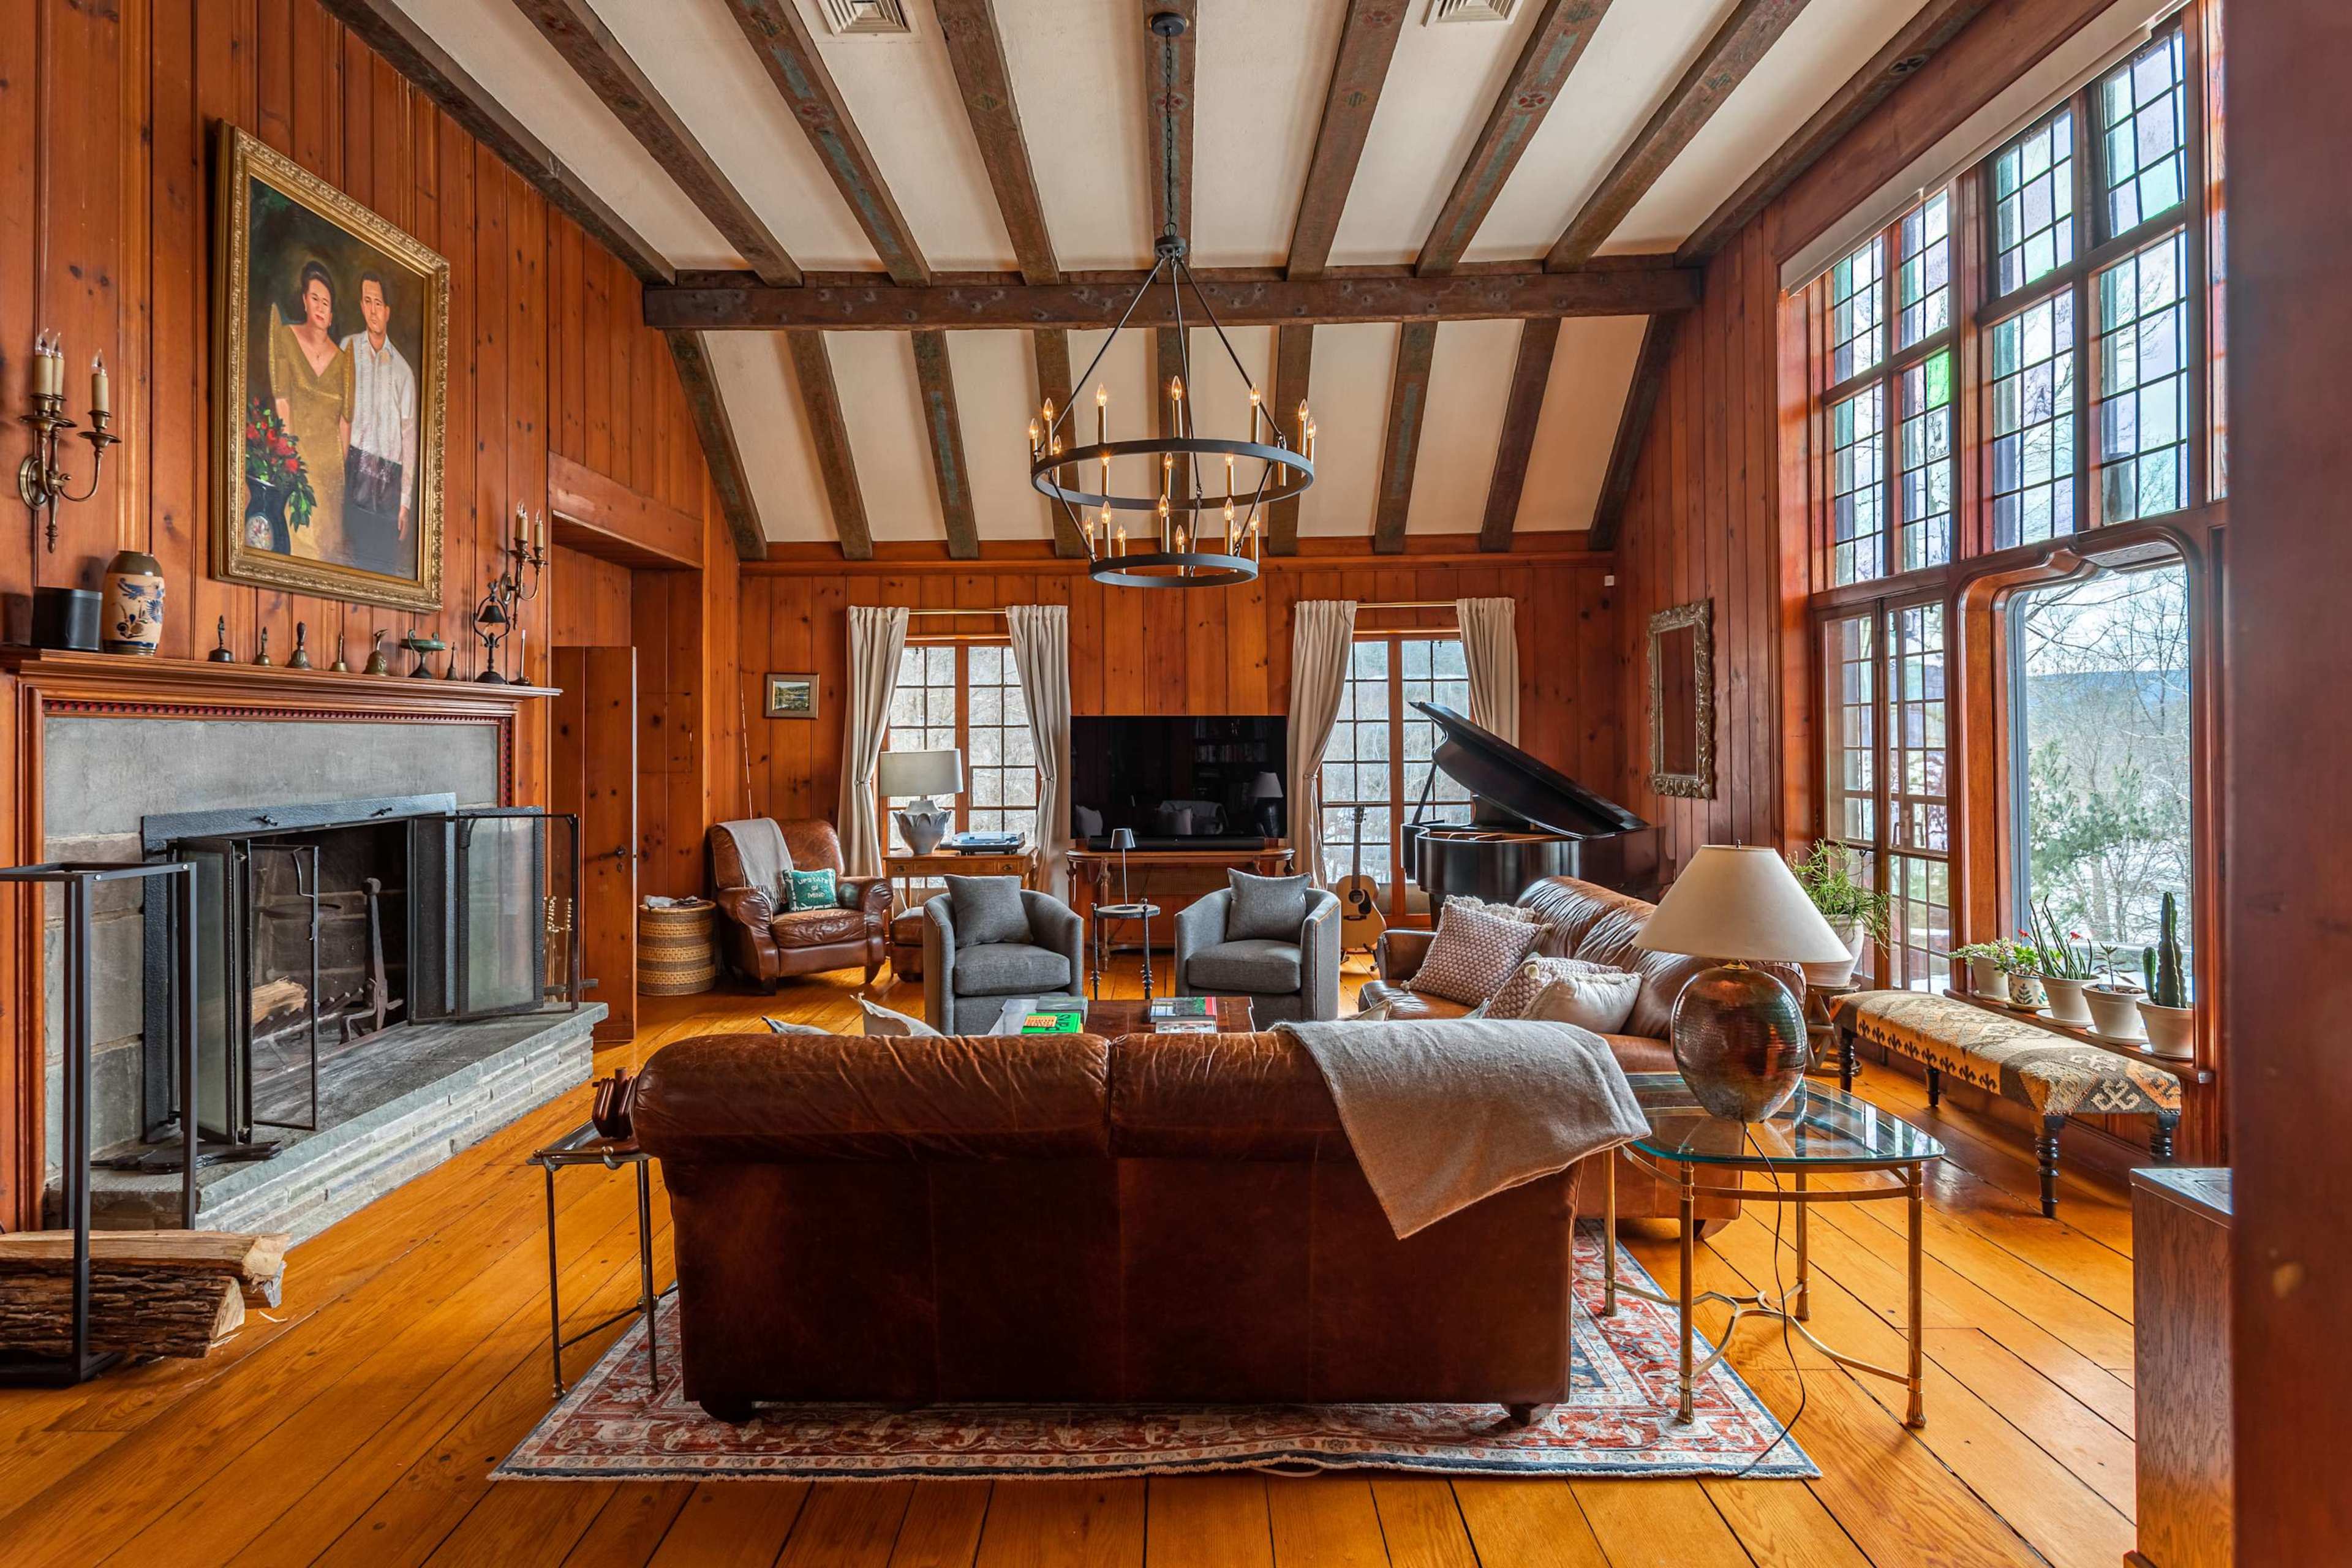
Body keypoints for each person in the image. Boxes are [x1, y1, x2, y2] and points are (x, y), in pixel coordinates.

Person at [268, 259, 353, 562]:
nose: (320, 306)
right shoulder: (286, 338)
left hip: (332, 471)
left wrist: (337, 475)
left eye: (326, 302)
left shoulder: (344, 361)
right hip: (299, 461)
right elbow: (283, 401)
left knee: (330, 551)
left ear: (331, 315)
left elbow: (345, 421)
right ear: (304, 300)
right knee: (300, 543)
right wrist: (290, 459)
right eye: (314, 298)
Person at [341, 270, 420, 577]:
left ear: (388, 311)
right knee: (346, 559)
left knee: (378, 568)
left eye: (379, 303)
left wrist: (405, 502)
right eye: (367, 301)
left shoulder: (403, 372)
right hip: (353, 470)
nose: (373, 310)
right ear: (361, 305)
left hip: (388, 480)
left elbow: (410, 441)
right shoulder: (347, 349)